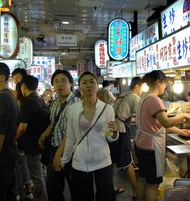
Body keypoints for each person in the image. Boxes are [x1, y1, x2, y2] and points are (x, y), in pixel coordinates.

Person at [134, 70, 190, 201]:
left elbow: (157, 124)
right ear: (158, 82)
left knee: (144, 180)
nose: (165, 86)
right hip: (151, 148)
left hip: (141, 145)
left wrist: (180, 131)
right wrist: (183, 115)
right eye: (165, 83)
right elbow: (165, 122)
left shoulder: (144, 97)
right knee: (153, 185)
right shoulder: (155, 100)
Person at [60, 71, 119, 201]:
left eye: (92, 82)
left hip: (103, 160)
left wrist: (114, 133)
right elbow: (70, 137)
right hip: (79, 162)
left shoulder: (107, 109)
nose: (88, 85)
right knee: (82, 196)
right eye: (84, 82)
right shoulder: (73, 109)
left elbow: (109, 136)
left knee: (105, 196)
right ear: (79, 87)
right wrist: (64, 160)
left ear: (97, 86)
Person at [38, 69, 81, 201]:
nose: (59, 85)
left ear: (71, 84)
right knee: (52, 187)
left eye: (63, 81)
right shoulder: (55, 103)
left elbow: (72, 132)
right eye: (56, 82)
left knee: (76, 188)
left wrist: (59, 155)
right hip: (54, 148)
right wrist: (43, 135)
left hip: (72, 152)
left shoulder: (77, 103)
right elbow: (52, 123)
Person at [15, 75, 49, 201]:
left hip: (32, 145)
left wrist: (14, 138)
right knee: (40, 176)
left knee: (37, 178)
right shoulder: (39, 100)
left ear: (23, 86)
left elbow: (22, 128)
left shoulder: (28, 102)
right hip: (40, 144)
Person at [109, 77, 143, 199]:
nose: (142, 91)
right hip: (121, 131)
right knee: (128, 162)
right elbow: (141, 116)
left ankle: (110, 187)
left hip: (112, 129)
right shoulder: (134, 97)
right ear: (137, 87)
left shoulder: (122, 95)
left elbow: (122, 113)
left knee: (110, 161)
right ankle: (136, 192)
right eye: (142, 88)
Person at [0, 63, 19, 201]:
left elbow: (0, 133)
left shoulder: (3, 98)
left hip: (3, 156)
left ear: (1, 78)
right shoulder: (9, 96)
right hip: (9, 153)